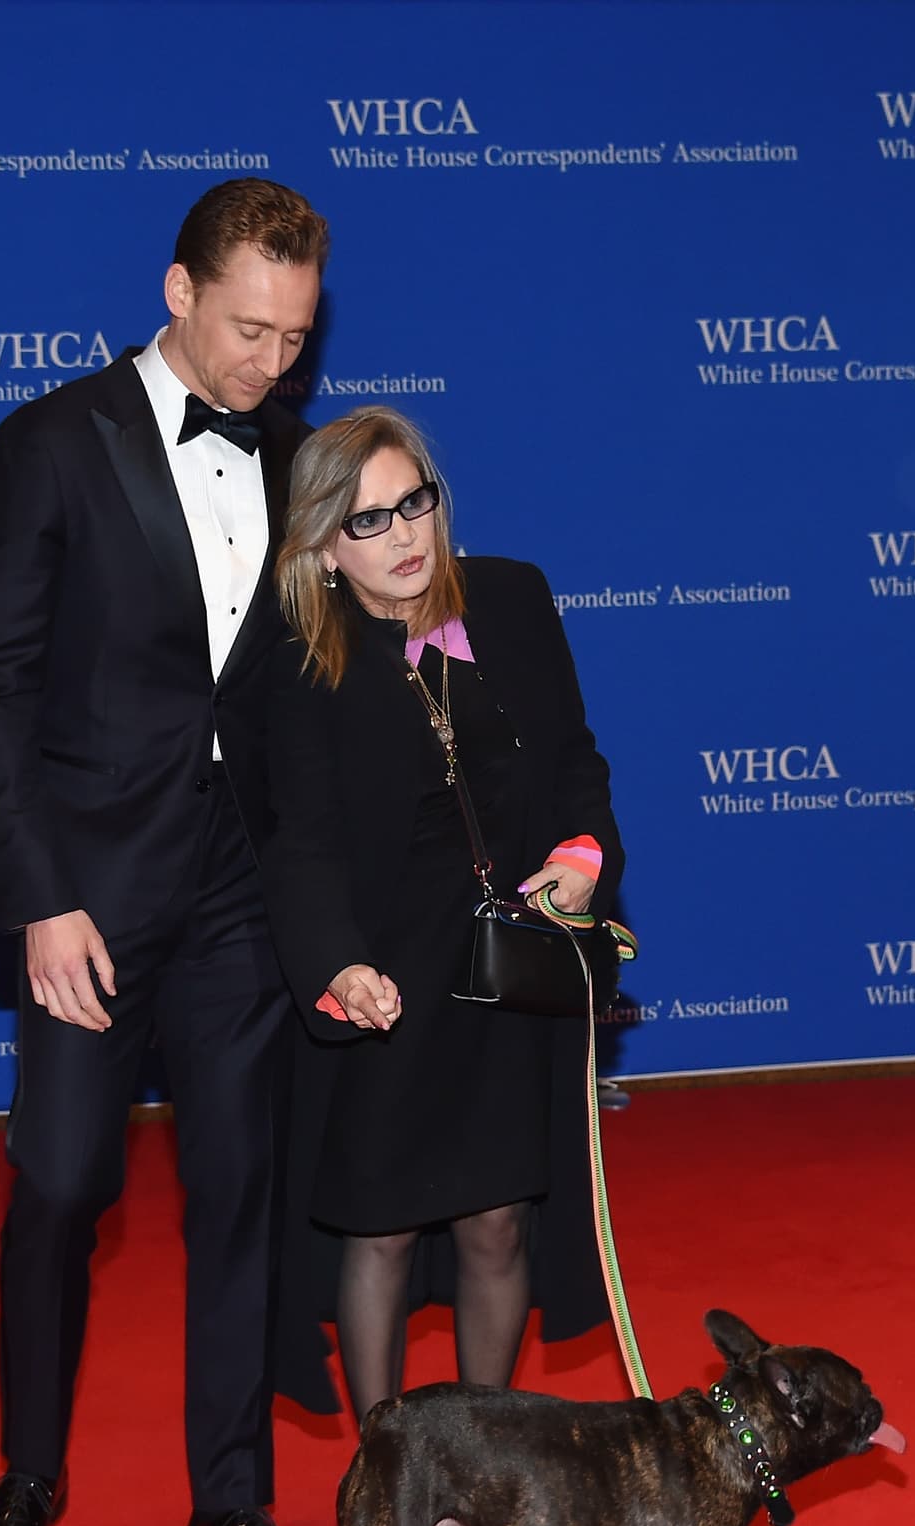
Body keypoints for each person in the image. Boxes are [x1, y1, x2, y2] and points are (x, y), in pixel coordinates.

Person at [0, 177, 335, 1526]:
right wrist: (40, 899)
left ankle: (229, 1503)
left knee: (243, 1193)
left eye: (295, 337)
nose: (270, 363)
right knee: (60, 1183)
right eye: (249, 329)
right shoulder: (50, 442)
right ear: (177, 293)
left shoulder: (300, 456)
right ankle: (30, 1478)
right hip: (95, 899)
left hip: (244, 894)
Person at [260, 408, 625, 1424]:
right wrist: (335, 964)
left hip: (505, 972)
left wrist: (581, 855)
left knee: (499, 1222)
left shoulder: (510, 599)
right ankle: (391, 1479)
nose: (403, 537)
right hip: (387, 980)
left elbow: (573, 764)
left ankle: (478, 1470)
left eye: (411, 503)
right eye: (366, 521)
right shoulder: (303, 661)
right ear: (324, 549)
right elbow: (300, 841)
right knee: (376, 1232)